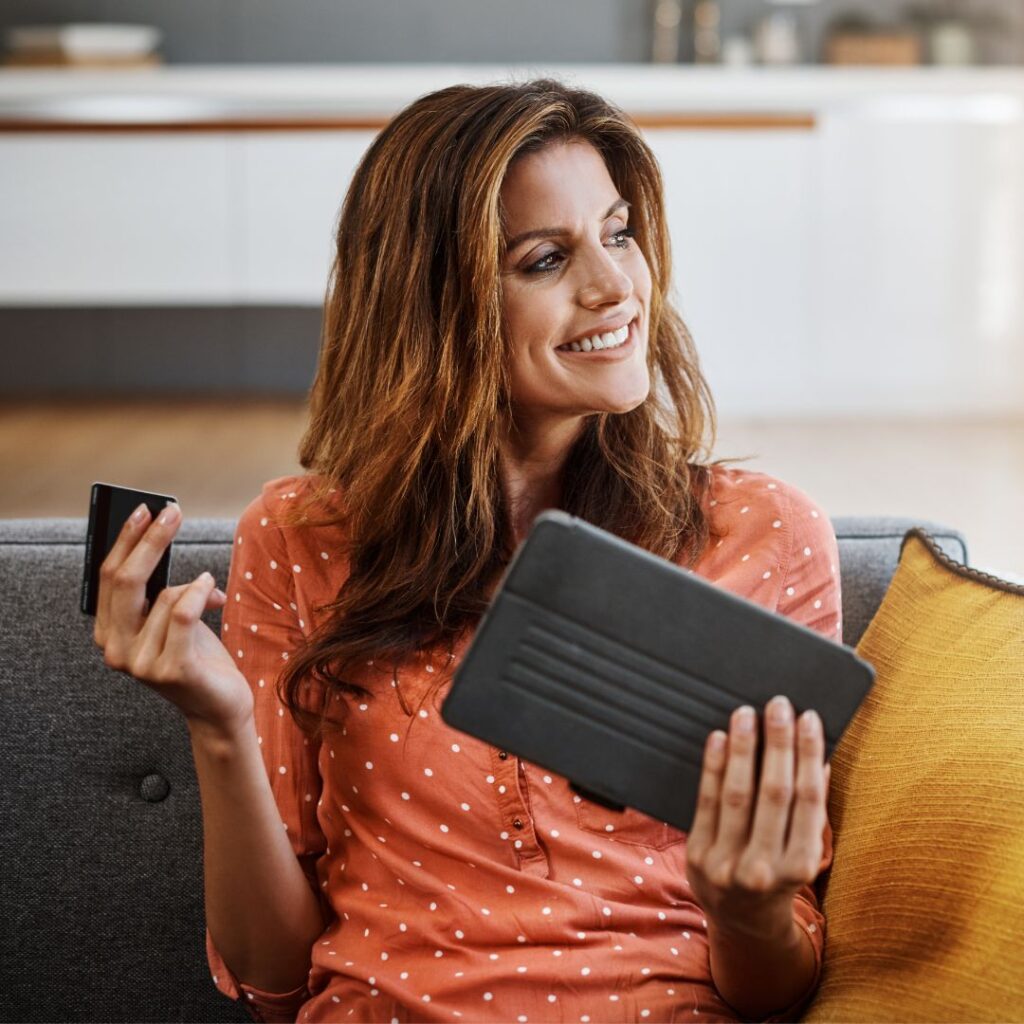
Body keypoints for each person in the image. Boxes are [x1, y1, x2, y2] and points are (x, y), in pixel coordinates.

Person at [93, 78, 841, 1023]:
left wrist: (749, 908)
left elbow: (782, 993)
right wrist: (216, 725)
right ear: (431, 303)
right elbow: (276, 984)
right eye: (544, 259)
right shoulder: (299, 538)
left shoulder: (761, 536)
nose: (617, 285)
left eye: (619, 233)